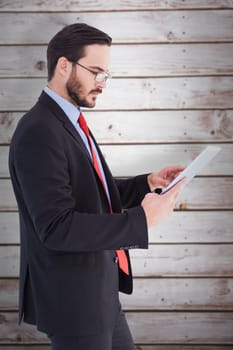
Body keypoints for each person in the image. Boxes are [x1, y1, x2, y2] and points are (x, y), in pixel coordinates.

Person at [9, 23, 185, 350]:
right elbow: (57, 227)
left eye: (106, 75)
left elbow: (90, 192)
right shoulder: (39, 131)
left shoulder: (68, 122)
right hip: (73, 302)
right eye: (96, 72)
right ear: (64, 66)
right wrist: (141, 220)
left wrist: (146, 183)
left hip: (100, 293)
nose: (102, 84)